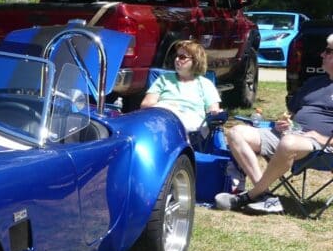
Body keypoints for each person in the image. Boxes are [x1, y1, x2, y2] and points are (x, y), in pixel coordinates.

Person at [214, 33, 333, 213]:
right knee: (236, 133)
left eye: (329, 51)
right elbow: (292, 113)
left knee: (289, 143)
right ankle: (265, 196)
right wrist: (285, 122)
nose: (322, 55)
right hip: (292, 136)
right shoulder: (314, 82)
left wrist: (320, 137)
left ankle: (250, 196)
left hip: (322, 147)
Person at [140, 40, 221, 141]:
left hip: (192, 127)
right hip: (162, 119)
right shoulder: (164, 79)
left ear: (196, 61)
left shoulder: (205, 84)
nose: (177, 59)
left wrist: (215, 112)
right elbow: (146, 104)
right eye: (176, 56)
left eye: (182, 57)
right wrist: (168, 108)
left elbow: (213, 112)